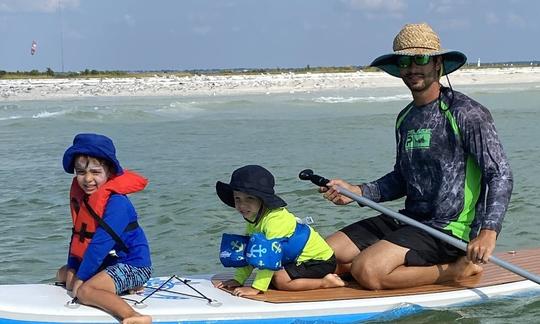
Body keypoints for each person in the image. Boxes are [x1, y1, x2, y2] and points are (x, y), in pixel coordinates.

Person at [320, 23, 513, 290]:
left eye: (420, 59)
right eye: (404, 61)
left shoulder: (467, 113)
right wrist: (357, 191)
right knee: (322, 254)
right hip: (409, 219)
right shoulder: (406, 118)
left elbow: (499, 173)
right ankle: (392, 266)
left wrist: (489, 232)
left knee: (368, 271)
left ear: (437, 64)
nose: (412, 69)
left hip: (449, 229)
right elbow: (401, 178)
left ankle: (455, 270)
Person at [56, 133, 152, 324]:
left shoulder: (117, 204)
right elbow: (78, 238)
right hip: (109, 262)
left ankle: (134, 316)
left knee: (84, 291)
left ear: (109, 172)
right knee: (63, 274)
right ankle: (122, 286)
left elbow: (100, 244)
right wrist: (73, 269)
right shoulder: (84, 199)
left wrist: (82, 278)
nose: (87, 179)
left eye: (95, 172)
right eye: (81, 172)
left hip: (133, 265)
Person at [214, 165, 344, 297]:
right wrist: (239, 280)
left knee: (279, 280)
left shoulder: (275, 221)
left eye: (250, 198)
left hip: (319, 262)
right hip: (295, 260)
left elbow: (269, 257)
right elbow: (251, 252)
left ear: (263, 200)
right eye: (237, 198)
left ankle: (325, 282)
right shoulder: (254, 218)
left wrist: (256, 288)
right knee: (270, 276)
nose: (242, 205)